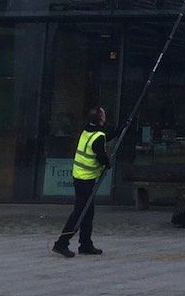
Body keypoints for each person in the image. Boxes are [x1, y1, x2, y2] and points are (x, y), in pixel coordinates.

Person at [52, 106, 109, 258]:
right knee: (80, 212)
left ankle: (85, 244)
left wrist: (122, 127)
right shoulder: (97, 136)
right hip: (85, 178)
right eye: (103, 115)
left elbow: (104, 136)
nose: (105, 116)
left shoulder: (87, 131)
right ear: (100, 119)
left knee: (87, 212)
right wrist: (107, 163)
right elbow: (101, 156)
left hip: (80, 176)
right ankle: (61, 243)